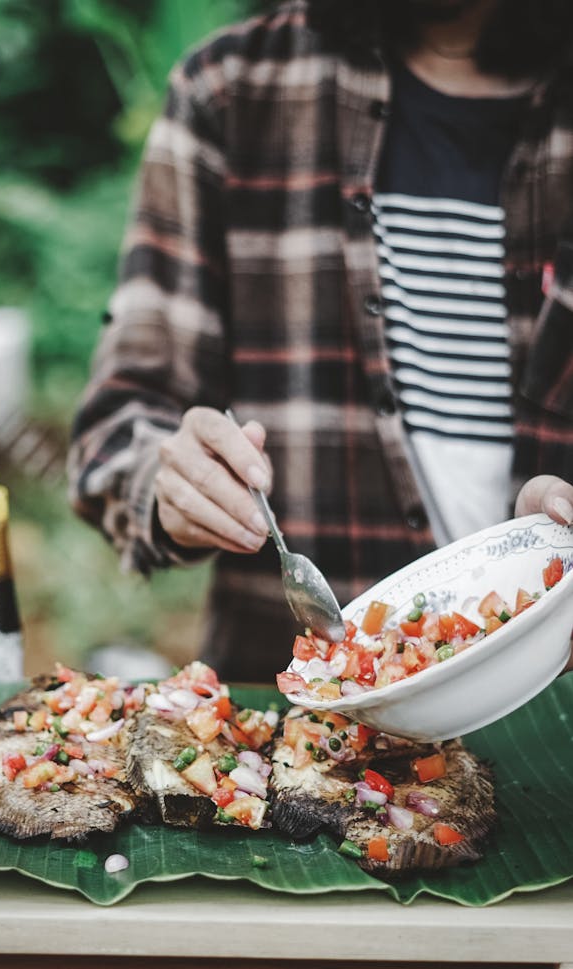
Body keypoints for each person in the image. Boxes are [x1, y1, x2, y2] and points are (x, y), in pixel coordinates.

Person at [68, 0, 573, 683]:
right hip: (287, 715)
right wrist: (172, 485)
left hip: (554, 712)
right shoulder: (231, 90)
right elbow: (118, 424)